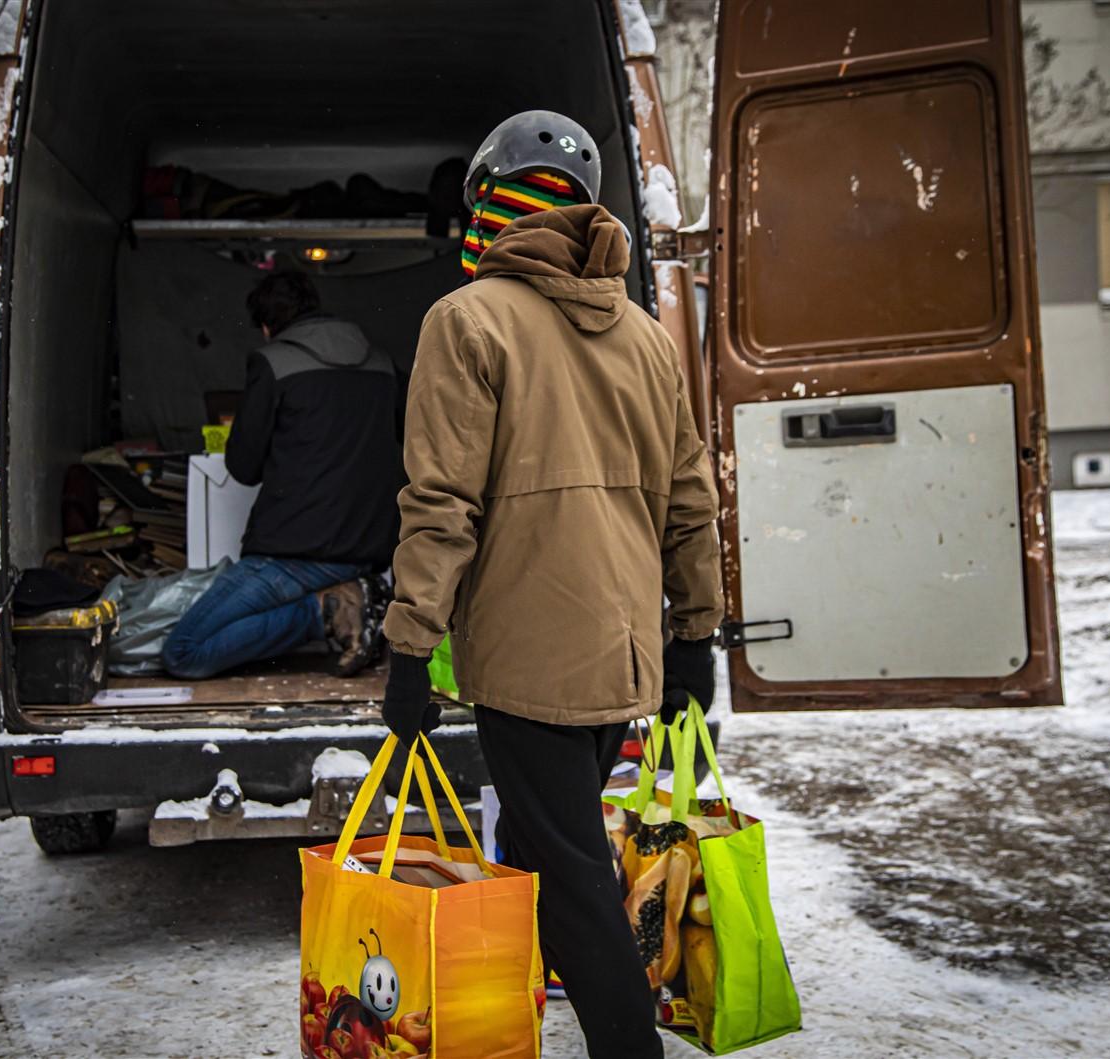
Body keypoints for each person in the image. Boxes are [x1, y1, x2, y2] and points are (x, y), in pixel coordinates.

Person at [379, 111, 724, 1058]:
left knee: (570, 874)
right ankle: (505, 1017)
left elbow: (440, 502)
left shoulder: (465, 321)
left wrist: (411, 646)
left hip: (530, 662)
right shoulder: (648, 338)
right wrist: (693, 637)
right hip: (622, 653)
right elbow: (693, 502)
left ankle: (626, 1045)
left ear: (490, 208)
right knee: (544, 850)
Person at [162, 271, 400, 679]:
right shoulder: (384, 365)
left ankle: (327, 612)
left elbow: (243, 467)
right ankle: (345, 598)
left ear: (269, 327)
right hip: (371, 549)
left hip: (293, 554)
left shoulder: (274, 363)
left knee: (184, 651)